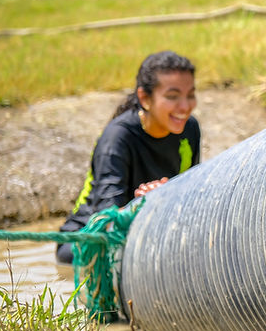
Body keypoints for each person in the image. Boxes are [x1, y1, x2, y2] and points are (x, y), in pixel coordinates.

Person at [57, 51, 201, 264]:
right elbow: (107, 219)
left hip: (150, 227)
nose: (185, 106)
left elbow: (192, 192)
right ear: (145, 98)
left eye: (190, 95)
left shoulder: (189, 129)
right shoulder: (117, 138)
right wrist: (146, 202)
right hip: (87, 241)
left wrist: (163, 198)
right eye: (172, 96)